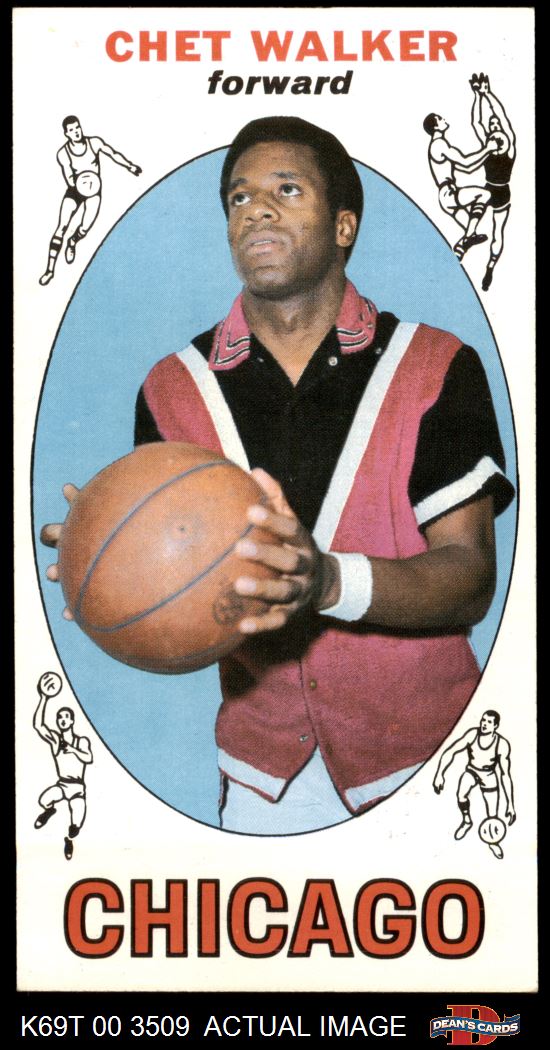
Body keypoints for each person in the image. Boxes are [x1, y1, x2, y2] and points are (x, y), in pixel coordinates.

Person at [42, 116, 514, 836]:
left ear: (344, 225)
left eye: (286, 190)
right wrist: (109, 568)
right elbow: (188, 605)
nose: (256, 209)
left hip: (426, 755)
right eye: (239, 197)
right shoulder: (172, 386)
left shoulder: (434, 363)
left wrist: (327, 582)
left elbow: (471, 576)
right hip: (262, 776)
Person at [39, 115, 142, 286]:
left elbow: (113, 154)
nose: (76, 132)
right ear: (66, 134)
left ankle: (73, 241)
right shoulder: (63, 153)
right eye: (71, 130)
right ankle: (50, 270)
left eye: (77, 127)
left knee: (85, 227)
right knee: (61, 227)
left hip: (94, 192)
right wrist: (79, 183)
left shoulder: (94, 143)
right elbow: (69, 177)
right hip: (75, 191)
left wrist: (130, 166)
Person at [432, 710, 515, 858]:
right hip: (472, 771)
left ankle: (493, 842)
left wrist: (510, 804)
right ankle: (467, 821)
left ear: (495, 726)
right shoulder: (473, 735)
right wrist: (439, 774)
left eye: (489, 722)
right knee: (461, 794)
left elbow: (505, 775)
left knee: (492, 815)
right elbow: (451, 751)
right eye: (483, 720)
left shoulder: (502, 745)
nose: (484, 724)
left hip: (488, 775)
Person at [423, 111, 499, 260]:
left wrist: (487, 153)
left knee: (469, 233)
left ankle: (459, 251)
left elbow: (468, 168)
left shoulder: (439, 144)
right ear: (436, 126)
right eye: (440, 118)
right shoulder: (439, 144)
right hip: (449, 193)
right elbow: (466, 162)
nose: (444, 119)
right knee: (485, 194)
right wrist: (488, 149)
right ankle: (467, 239)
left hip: (446, 196)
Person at [33, 683, 93, 860]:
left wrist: (73, 749)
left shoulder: (81, 741)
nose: (63, 720)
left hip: (77, 788)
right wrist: (44, 698)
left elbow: (88, 758)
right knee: (43, 800)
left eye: (66, 717)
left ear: (72, 721)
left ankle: (69, 839)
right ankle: (49, 811)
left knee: (76, 825)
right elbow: (39, 726)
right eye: (60, 718)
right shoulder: (56, 741)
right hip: (62, 784)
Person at [469, 73, 516, 290]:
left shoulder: (509, 148)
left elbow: (503, 119)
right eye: (492, 125)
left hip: (502, 192)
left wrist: (488, 94)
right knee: (473, 209)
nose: (495, 126)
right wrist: (478, 96)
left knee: (498, 232)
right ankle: (468, 237)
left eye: (497, 125)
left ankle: (490, 266)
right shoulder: (488, 146)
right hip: (488, 188)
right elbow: (476, 122)